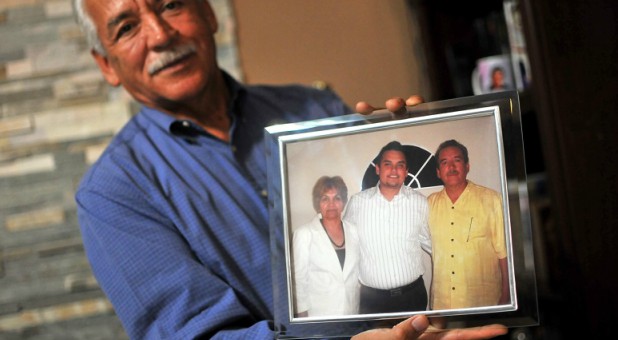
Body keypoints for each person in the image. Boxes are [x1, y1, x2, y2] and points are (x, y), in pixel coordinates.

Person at [72, 0, 507, 338]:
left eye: (171, 5)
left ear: (208, 13)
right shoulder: (114, 191)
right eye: (126, 27)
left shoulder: (313, 107)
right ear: (106, 64)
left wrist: (419, 133)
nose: (160, 33)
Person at [344, 141, 432, 314]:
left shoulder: (420, 203)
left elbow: (433, 244)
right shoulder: (357, 203)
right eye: (387, 164)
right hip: (372, 301)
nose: (394, 170)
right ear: (377, 169)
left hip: (412, 297)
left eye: (400, 165)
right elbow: (346, 247)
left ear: (406, 172)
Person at [428, 139, 509, 310]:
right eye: (444, 162)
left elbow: (504, 252)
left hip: (483, 301)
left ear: (467, 166)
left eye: (457, 160)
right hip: (442, 303)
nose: (451, 167)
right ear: (438, 172)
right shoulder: (429, 204)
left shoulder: (491, 199)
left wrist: (507, 293)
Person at [293, 176, 359, 317]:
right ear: (318, 203)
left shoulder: (354, 231)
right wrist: (302, 316)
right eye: (325, 199)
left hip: (351, 311)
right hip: (320, 314)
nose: (331, 204)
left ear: (343, 202)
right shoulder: (304, 234)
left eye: (337, 198)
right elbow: (298, 280)